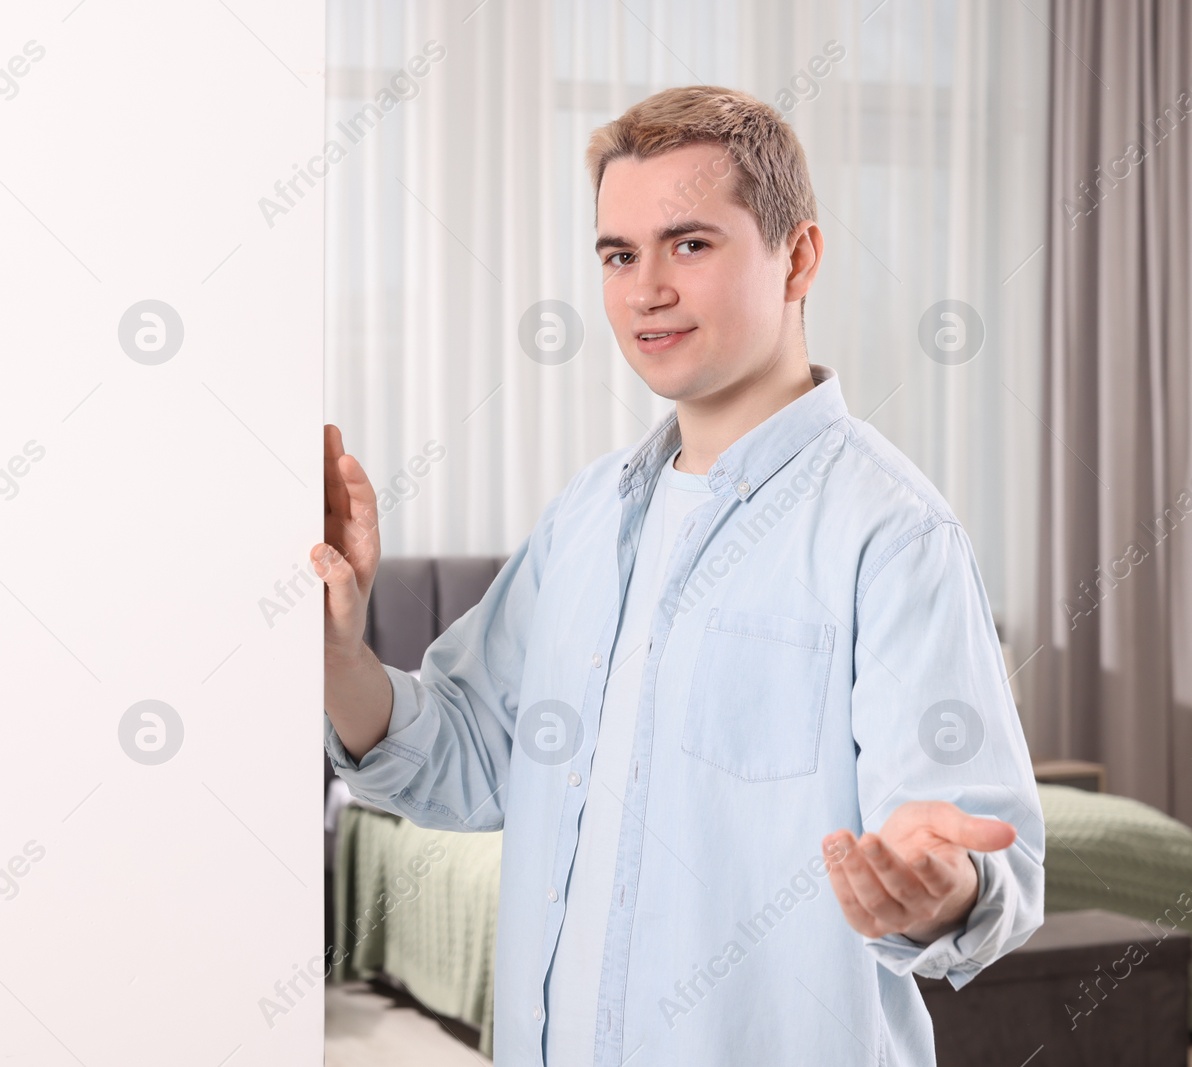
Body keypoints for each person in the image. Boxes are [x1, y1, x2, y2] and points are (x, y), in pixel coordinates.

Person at [319, 83, 1043, 1067]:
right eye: (619, 254)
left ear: (799, 256)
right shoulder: (583, 516)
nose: (645, 288)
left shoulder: (892, 532)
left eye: (689, 244)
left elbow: (985, 865)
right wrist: (337, 650)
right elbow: (470, 756)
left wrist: (942, 886)